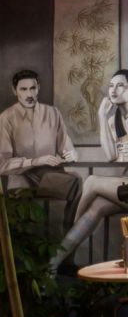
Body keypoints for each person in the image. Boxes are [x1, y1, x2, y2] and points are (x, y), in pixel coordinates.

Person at [51, 69, 128, 272]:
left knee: (91, 182)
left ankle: (64, 243)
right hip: (127, 189)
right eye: (111, 85)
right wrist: (101, 117)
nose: (113, 90)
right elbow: (111, 156)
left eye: (120, 85)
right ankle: (55, 264)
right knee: (96, 207)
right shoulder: (114, 120)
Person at [0, 69, 81, 228]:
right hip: (22, 179)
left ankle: (68, 231)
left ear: (38, 88)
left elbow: (65, 145)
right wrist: (35, 161)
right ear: (14, 90)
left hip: (49, 178)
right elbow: (2, 164)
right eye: (23, 89)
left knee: (77, 181)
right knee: (22, 199)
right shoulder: (6, 118)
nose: (29, 94)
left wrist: (73, 154)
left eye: (33, 88)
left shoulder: (53, 113)